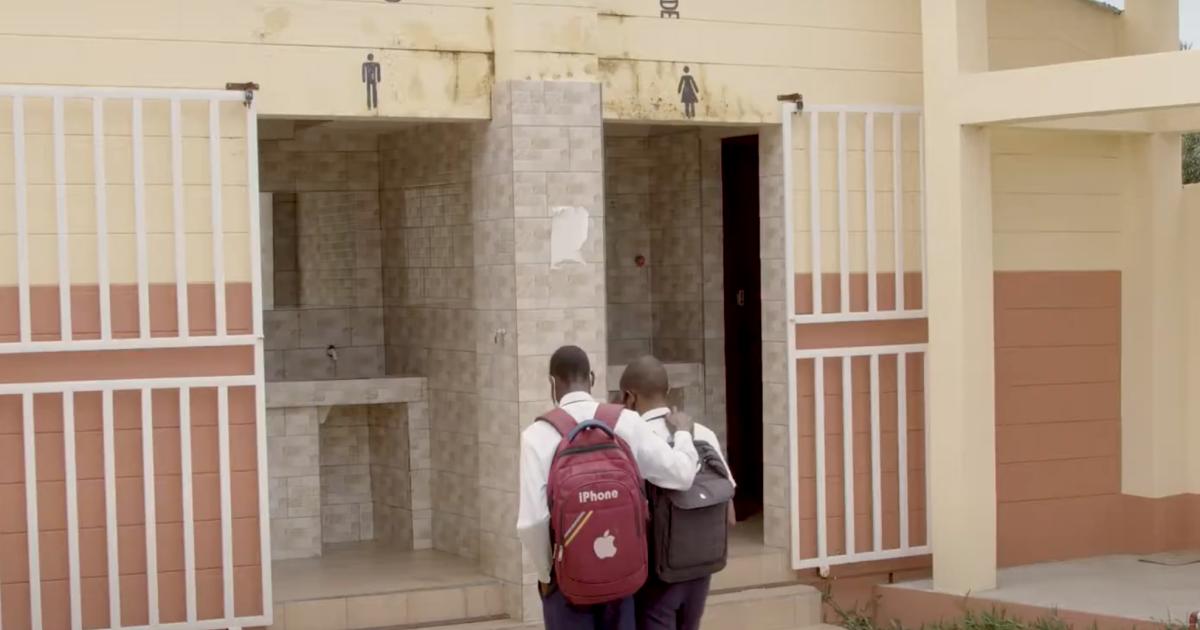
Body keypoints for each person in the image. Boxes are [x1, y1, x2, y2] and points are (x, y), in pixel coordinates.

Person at [517, 345, 700, 630]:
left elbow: (532, 522)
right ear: (591, 378)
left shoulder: (537, 435)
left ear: (552, 383)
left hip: (568, 581)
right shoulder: (625, 421)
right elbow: (682, 474)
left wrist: (546, 576)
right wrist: (684, 434)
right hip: (622, 573)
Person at [620, 355, 735, 630]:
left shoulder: (633, 439)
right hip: (702, 568)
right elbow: (730, 515)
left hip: (657, 575)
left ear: (629, 397)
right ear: (668, 390)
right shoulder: (703, 433)